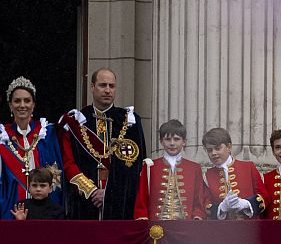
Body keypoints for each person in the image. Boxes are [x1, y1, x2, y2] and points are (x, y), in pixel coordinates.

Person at [58, 68, 146, 219]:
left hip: (121, 204)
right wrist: (91, 191)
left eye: (112, 86)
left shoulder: (131, 121)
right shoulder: (75, 121)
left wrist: (110, 193)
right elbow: (68, 163)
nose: (107, 90)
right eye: (102, 85)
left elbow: (137, 166)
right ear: (92, 87)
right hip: (85, 203)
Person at [0, 76, 64, 220]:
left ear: (33, 105)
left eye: (27, 101)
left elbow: (57, 174)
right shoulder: (2, 136)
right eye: (17, 101)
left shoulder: (46, 133)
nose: (22, 105)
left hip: (44, 212)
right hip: (12, 209)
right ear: (10, 105)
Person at [134, 119, 207, 220]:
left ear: (184, 142)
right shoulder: (150, 166)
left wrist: (197, 217)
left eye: (176, 139)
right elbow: (142, 200)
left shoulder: (194, 168)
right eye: (168, 139)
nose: (172, 143)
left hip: (186, 226)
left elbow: (198, 201)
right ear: (161, 142)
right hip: (156, 227)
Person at [202, 127, 266, 219]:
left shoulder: (248, 167)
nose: (213, 153)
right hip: (221, 227)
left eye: (217, 148)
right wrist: (221, 208)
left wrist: (246, 203)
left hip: (249, 226)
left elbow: (264, 196)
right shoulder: (207, 176)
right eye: (209, 150)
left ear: (229, 147)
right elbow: (206, 205)